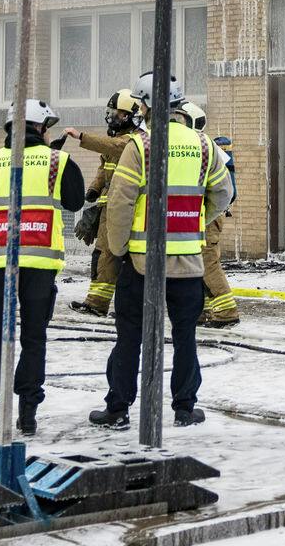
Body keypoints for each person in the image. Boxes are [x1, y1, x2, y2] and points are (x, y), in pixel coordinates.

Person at [88, 88, 233, 430]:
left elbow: (121, 204)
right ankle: (184, 408)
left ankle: (118, 407)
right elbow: (224, 194)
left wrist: (119, 248)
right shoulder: (203, 144)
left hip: (141, 263)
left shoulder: (140, 146)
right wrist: (195, 220)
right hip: (188, 262)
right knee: (185, 338)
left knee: (129, 337)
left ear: (148, 107)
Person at [0, 99, 85, 438]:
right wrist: (54, 161)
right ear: (40, 128)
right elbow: (75, 201)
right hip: (40, 268)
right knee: (33, 339)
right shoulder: (58, 161)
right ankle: (28, 413)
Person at [64, 89, 145, 318]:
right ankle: (96, 303)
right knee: (102, 255)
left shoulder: (135, 141)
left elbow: (113, 148)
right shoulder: (115, 140)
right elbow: (105, 166)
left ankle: (112, 305)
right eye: (111, 113)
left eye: (117, 114)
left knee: (116, 256)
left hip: (127, 208)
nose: (112, 118)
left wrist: (81, 137)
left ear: (130, 116)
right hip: (108, 206)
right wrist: (93, 189)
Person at [179, 98, 241, 329]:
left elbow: (223, 190)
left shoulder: (205, 148)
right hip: (200, 215)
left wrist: (207, 214)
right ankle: (202, 311)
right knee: (196, 263)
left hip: (208, 216)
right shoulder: (200, 147)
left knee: (208, 262)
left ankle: (226, 311)